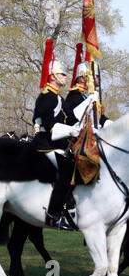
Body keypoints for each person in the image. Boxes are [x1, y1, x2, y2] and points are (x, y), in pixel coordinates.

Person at [32, 39, 81, 231]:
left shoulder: (59, 98)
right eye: (62, 73)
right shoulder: (46, 97)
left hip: (56, 144)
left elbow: (66, 121)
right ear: (52, 76)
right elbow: (52, 126)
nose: (65, 77)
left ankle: (70, 209)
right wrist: (71, 130)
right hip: (44, 143)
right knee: (67, 170)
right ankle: (53, 214)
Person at [64, 61, 111, 128]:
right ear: (82, 79)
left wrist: (109, 123)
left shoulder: (89, 94)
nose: (98, 79)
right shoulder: (74, 95)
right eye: (95, 76)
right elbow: (72, 118)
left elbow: (98, 117)